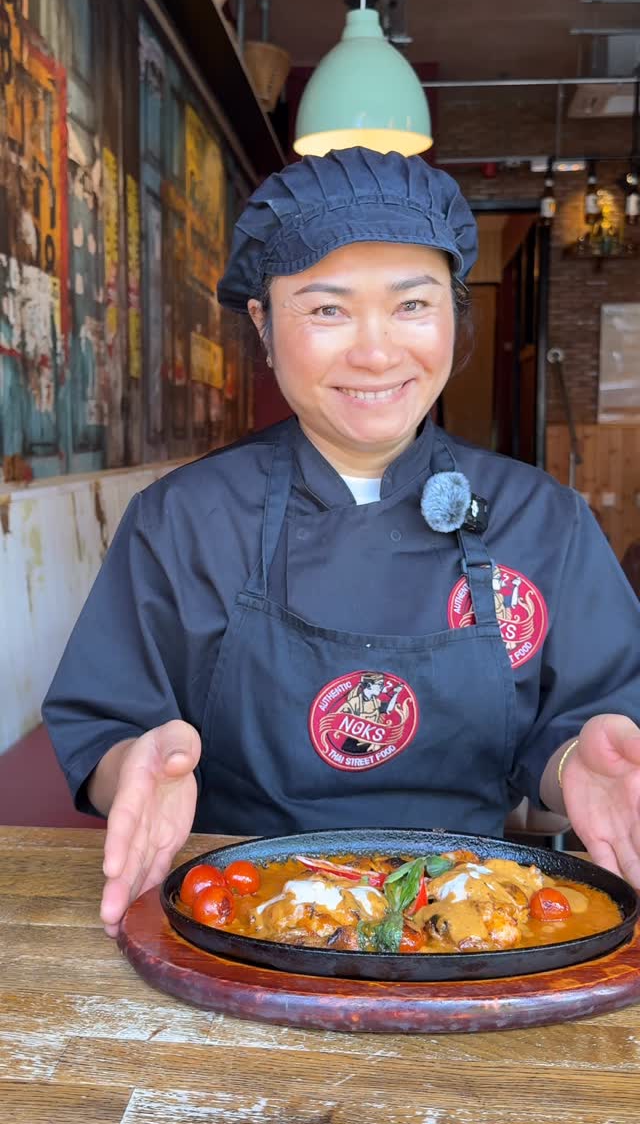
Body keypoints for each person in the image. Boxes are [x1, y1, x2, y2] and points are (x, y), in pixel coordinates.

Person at [42, 147, 640, 938]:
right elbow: (109, 726)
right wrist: (133, 770)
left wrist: (577, 766)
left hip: (477, 923)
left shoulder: (544, 520)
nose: (376, 352)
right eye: (326, 309)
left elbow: (587, 721)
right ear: (262, 323)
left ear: (453, 314)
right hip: (239, 914)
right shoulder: (183, 520)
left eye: (411, 305)